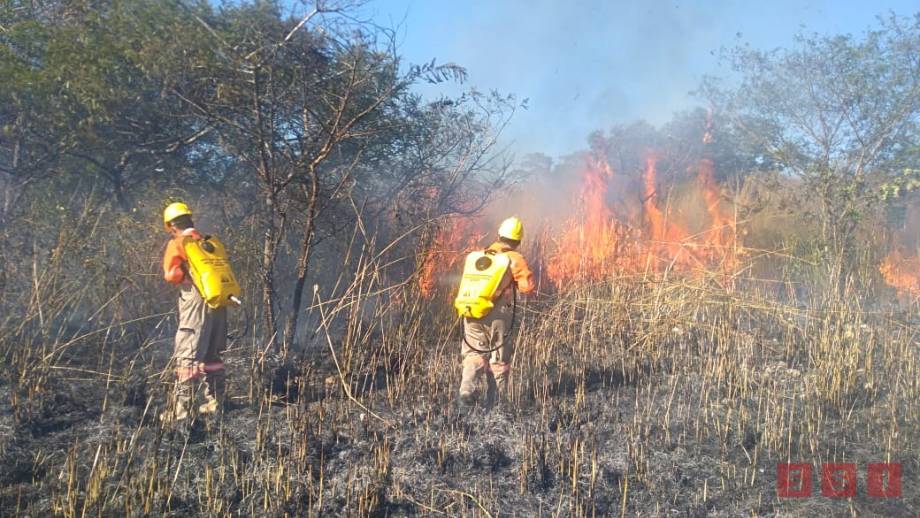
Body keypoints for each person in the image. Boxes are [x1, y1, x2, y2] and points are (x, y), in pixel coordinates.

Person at [159, 202, 228, 423]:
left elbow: (171, 275)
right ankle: (215, 403)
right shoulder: (208, 242)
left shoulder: (178, 243)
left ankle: (182, 411)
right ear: (190, 219)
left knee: (187, 352)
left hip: (195, 300)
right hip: (217, 299)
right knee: (212, 354)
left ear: (171, 225)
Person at [458, 216, 535, 407]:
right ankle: (497, 403)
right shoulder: (514, 258)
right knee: (499, 359)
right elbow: (527, 287)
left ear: (499, 234)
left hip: (471, 311)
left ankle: (466, 388)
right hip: (498, 315)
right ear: (518, 240)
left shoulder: (483, 254)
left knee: (474, 354)